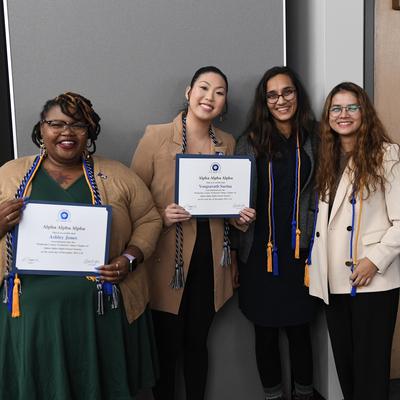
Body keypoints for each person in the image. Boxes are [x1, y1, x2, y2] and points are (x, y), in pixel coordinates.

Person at [0, 92, 162, 400]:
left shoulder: (116, 175)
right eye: (56, 124)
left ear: (89, 132)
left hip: (99, 313)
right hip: (33, 319)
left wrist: (129, 258)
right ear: (41, 128)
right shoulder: (9, 175)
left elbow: (150, 219)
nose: (66, 132)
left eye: (77, 125)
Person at [131, 66, 255, 400]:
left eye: (219, 92)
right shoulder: (156, 136)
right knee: (167, 347)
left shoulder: (227, 142)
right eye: (204, 88)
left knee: (197, 343)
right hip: (165, 260)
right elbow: (132, 200)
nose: (210, 97)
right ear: (189, 92)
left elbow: (227, 204)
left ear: (224, 102)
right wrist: (161, 214)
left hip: (210, 259)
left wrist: (240, 218)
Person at [308, 82, 400, 400]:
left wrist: (374, 259)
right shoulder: (327, 156)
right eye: (336, 108)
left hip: (373, 281)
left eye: (351, 107)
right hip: (335, 280)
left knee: (370, 371)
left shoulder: (386, 154)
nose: (343, 114)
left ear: (364, 112)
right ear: (328, 115)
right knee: (346, 368)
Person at [233, 66, 318, 400]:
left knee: (301, 330)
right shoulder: (250, 140)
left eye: (288, 92)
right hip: (260, 252)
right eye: (272, 94)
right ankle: (273, 396)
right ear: (263, 101)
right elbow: (236, 203)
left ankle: (305, 394)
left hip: (302, 251)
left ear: (298, 94)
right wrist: (236, 221)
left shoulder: (314, 137)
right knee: (265, 333)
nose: (281, 100)